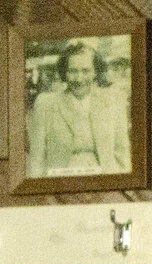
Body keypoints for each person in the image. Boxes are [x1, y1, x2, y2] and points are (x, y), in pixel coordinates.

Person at [26, 41, 133, 177]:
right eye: (72, 71)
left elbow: (122, 153)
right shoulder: (46, 103)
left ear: (95, 72)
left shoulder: (113, 101)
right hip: (60, 184)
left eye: (86, 71)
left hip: (106, 181)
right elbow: (36, 159)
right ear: (64, 72)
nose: (79, 79)